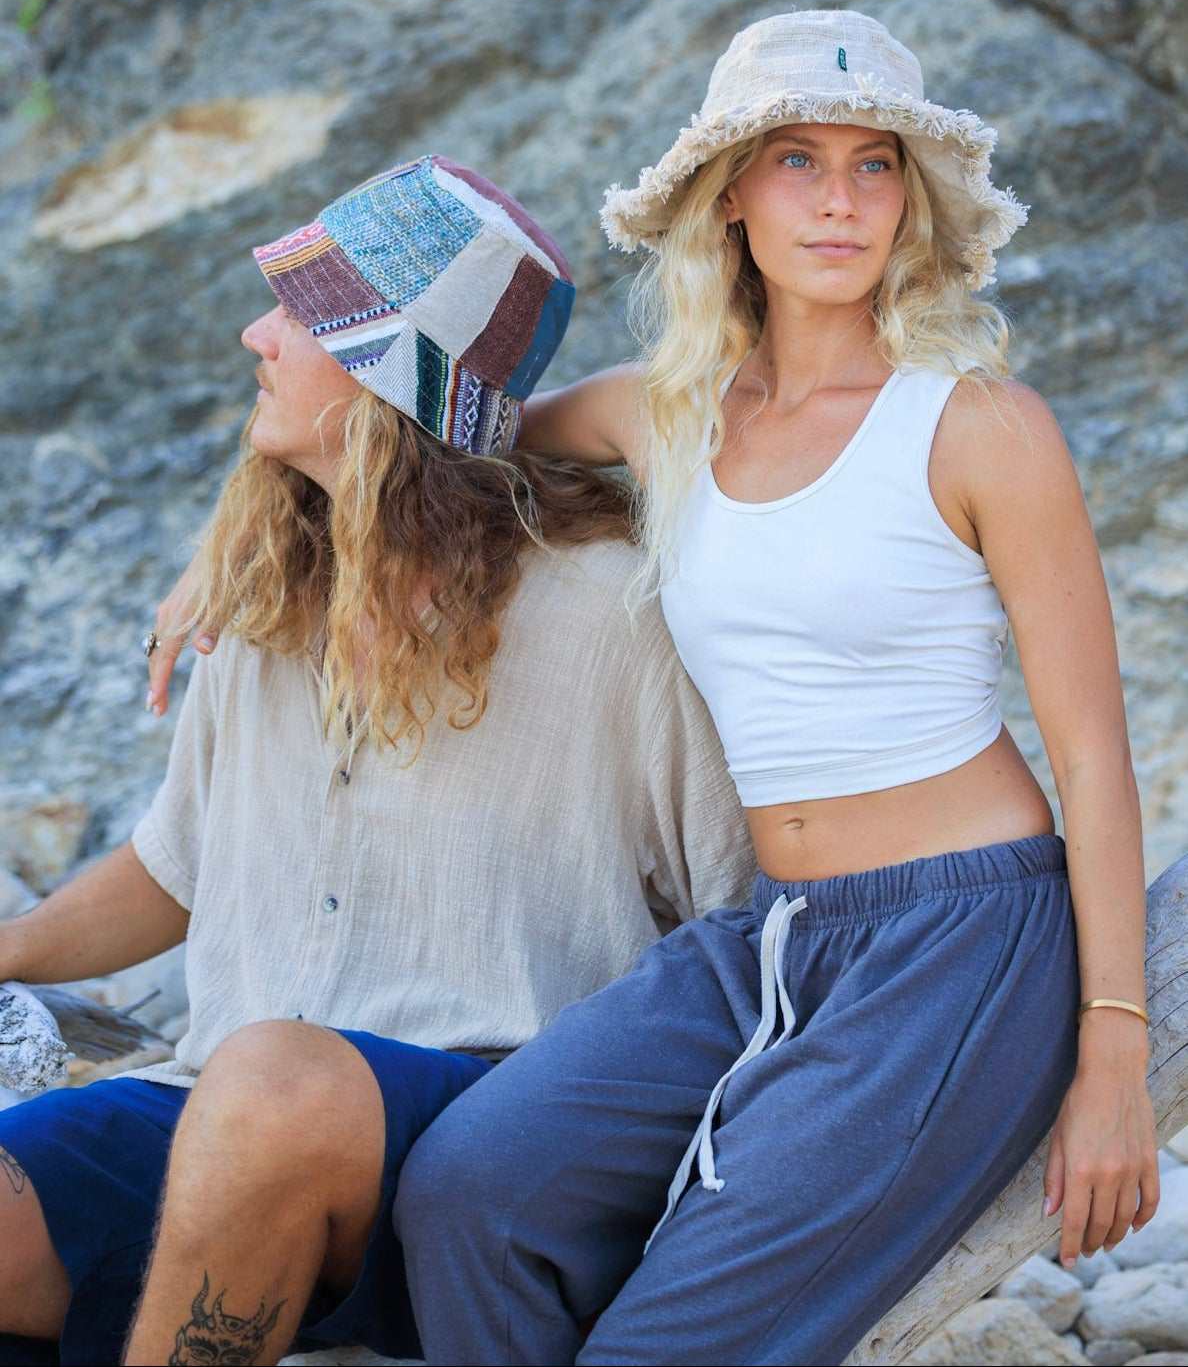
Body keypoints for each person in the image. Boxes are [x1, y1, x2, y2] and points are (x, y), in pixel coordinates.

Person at [391, 12, 1159, 1366]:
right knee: (469, 1191)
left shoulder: (980, 425)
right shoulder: (666, 412)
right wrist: (222, 568)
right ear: (729, 196)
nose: (841, 199)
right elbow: (441, 444)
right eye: (798, 158)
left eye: (875, 166)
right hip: (772, 936)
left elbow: (1095, 760)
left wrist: (1113, 1057)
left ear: (912, 202)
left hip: (963, 945)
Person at [0, 154, 755, 1367]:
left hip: (482, 1155)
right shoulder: (265, 606)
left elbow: (747, 920)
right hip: (216, 1124)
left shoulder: (614, 622)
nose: (255, 332)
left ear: (380, 376)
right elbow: (174, 864)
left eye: (298, 315)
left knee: (273, 1087)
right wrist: (9, 947)